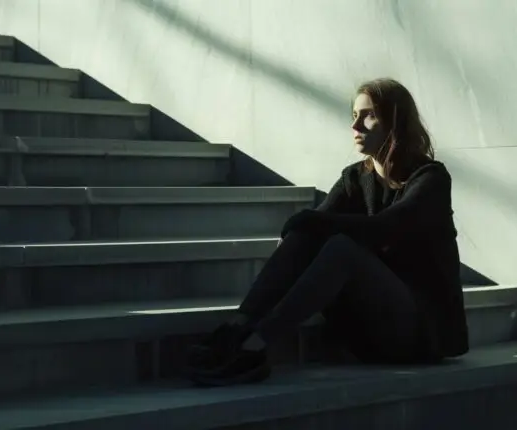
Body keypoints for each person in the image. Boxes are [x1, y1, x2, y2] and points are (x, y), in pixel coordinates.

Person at [185, 78, 469, 387]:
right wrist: (301, 227)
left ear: (395, 121)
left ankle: (257, 346)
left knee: (340, 247)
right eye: (354, 116)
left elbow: (386, 228)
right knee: (309, 234)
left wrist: (307, 221)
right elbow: (314, 225)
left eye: (368, 115)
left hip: (419, 334)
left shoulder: (430, 179)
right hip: (368, 331)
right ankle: (237, 328)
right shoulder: (356, 178)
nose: (355, 125)